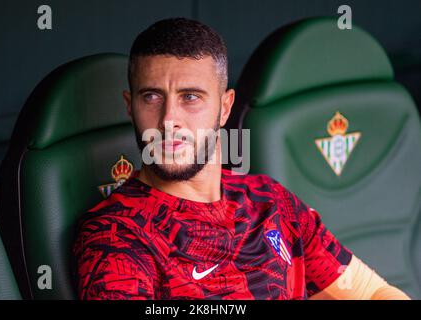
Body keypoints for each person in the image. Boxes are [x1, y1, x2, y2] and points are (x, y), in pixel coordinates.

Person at [73, 17, 410, 300]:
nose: (168, 119)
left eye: (190, 97)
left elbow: (371, 293)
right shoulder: (117, 236)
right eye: (152, 97)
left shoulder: (269, 200)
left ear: (225, 107)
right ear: (130, 106)